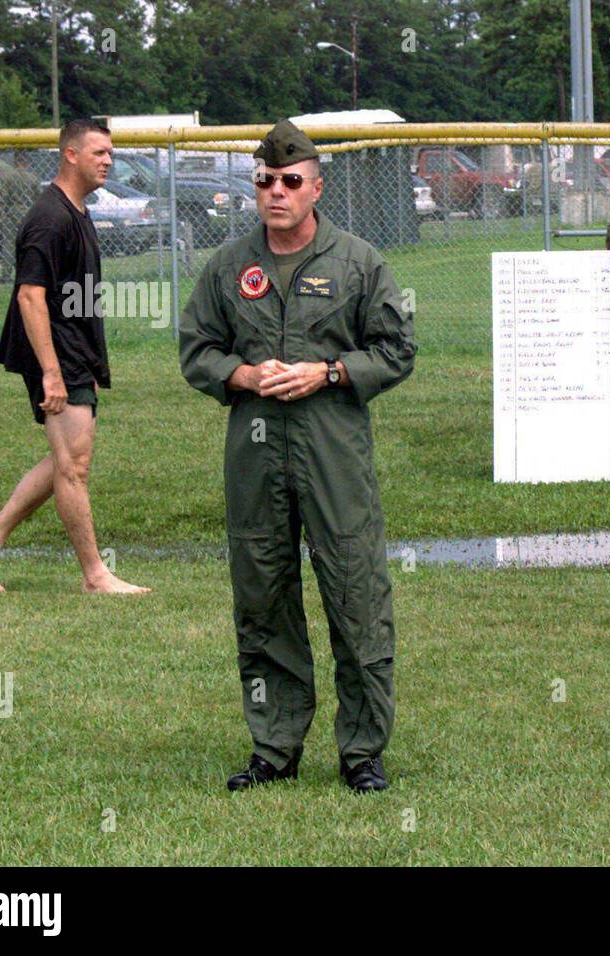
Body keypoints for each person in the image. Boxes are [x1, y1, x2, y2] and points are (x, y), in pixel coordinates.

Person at [178, 119, 416, 794]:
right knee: (262, 601)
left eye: (288, 182)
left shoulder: (359, 262)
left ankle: (362, 750)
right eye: (264, 181)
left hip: (332, 454)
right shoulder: (230, 266)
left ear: (316, 188)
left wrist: (331, 373)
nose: (275, 192)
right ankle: (273, 745)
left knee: (356, 597)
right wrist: (244, 376)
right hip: (255, 461)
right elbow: (196, 349)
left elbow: (396, 350)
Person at [0, 119, 149, 596]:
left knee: (70, 458)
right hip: (57, 352)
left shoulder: (76, 210)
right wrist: (50, 372)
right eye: (99, 152)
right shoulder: (49, 218)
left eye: (111, 153)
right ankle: (95, 575)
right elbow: (30, 296)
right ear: (70, 154)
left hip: (74, 348)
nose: (108, 160)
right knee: (74, 465)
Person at [0, 151, 41, 283]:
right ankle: (29, 273)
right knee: (28, 244)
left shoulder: (8, 177)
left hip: (11, 212)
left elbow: (2, 198)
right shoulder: (33, 178)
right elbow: (38, 198)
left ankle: (6, 275)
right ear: (26, 163)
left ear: (15, 162)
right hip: (29, 213)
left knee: (9, 245)